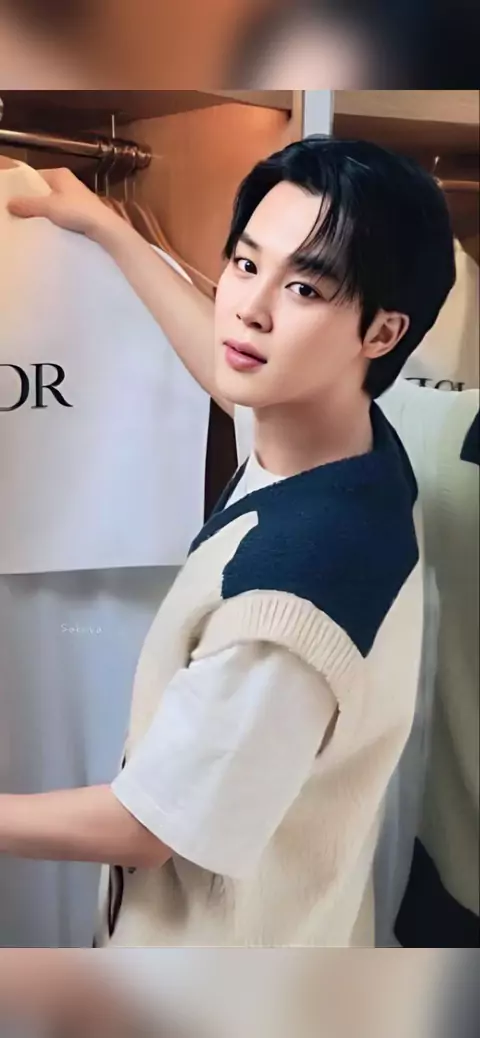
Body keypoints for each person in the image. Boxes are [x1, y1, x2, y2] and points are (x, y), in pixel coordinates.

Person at [2, 136, 455, 947]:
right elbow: (225, 372)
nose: (249, 308)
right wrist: (109, 229)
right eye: (246, 264)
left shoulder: (299, 587)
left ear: (383, 333)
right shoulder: (343, 438)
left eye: (305, 287)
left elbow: (147, 828)